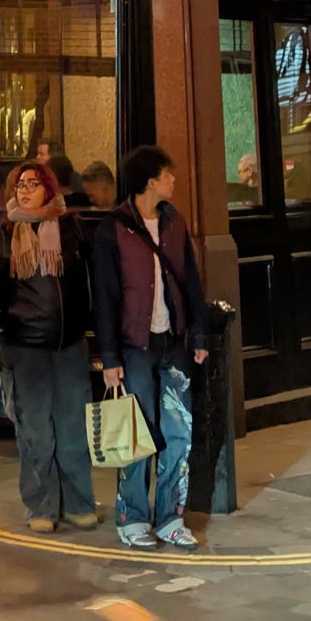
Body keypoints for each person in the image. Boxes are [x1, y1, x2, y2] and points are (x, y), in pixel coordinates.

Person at [90, 144, 208, 550]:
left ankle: (171, 516)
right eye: (167, 174)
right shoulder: (113, 230)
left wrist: (199, 335)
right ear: (150, 181)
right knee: (138, 435)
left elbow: (191, 281)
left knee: (179, 433)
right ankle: (133, 517)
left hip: (173, 343)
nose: (173, 180)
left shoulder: (175, 223)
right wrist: (109, 358)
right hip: (134, 347)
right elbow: (104, 297)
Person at [0, 160, 99, 534]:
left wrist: (98, 335)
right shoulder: (1, 238)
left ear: (49, 188)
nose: (25, 190)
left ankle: (78, 504)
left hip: (68, 346)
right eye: (19, 185)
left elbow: (90, 285)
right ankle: (40, 506)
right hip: (24, 348)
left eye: (33, 183)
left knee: (73, 431)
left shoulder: (72, 231)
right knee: (35, 433)